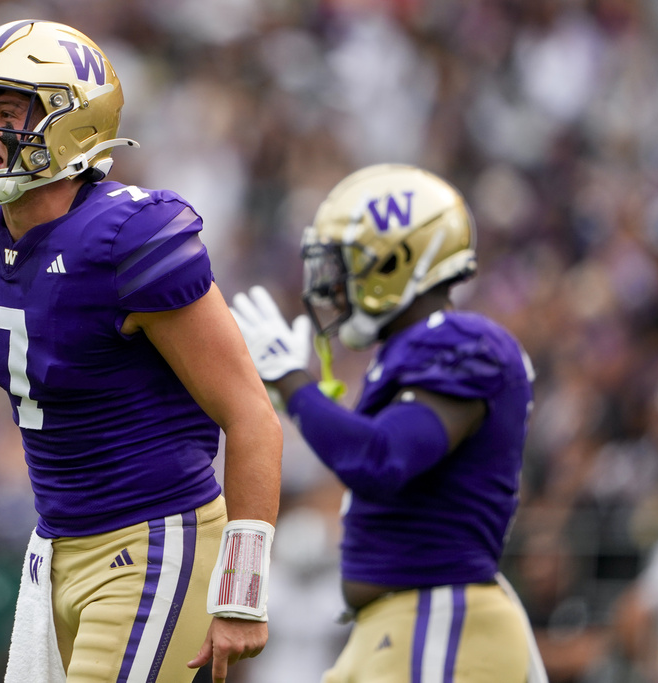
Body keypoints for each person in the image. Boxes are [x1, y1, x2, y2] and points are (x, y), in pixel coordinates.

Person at [0, 19, 282, 683]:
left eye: (7, 111)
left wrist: (242, 591)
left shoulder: (129, 237)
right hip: (56, 548)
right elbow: (16, 314)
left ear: (74, 122)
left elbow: (251, 415)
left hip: (153, 541)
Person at [230, 163, 547, 682]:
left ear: (396, 261)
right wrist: (296, 391)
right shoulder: (411, 351)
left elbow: (381, 459)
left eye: (347, 263)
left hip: (439, 617)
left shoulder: (463, 341)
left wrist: (293, 382)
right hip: (397, 624)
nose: (333, 282)